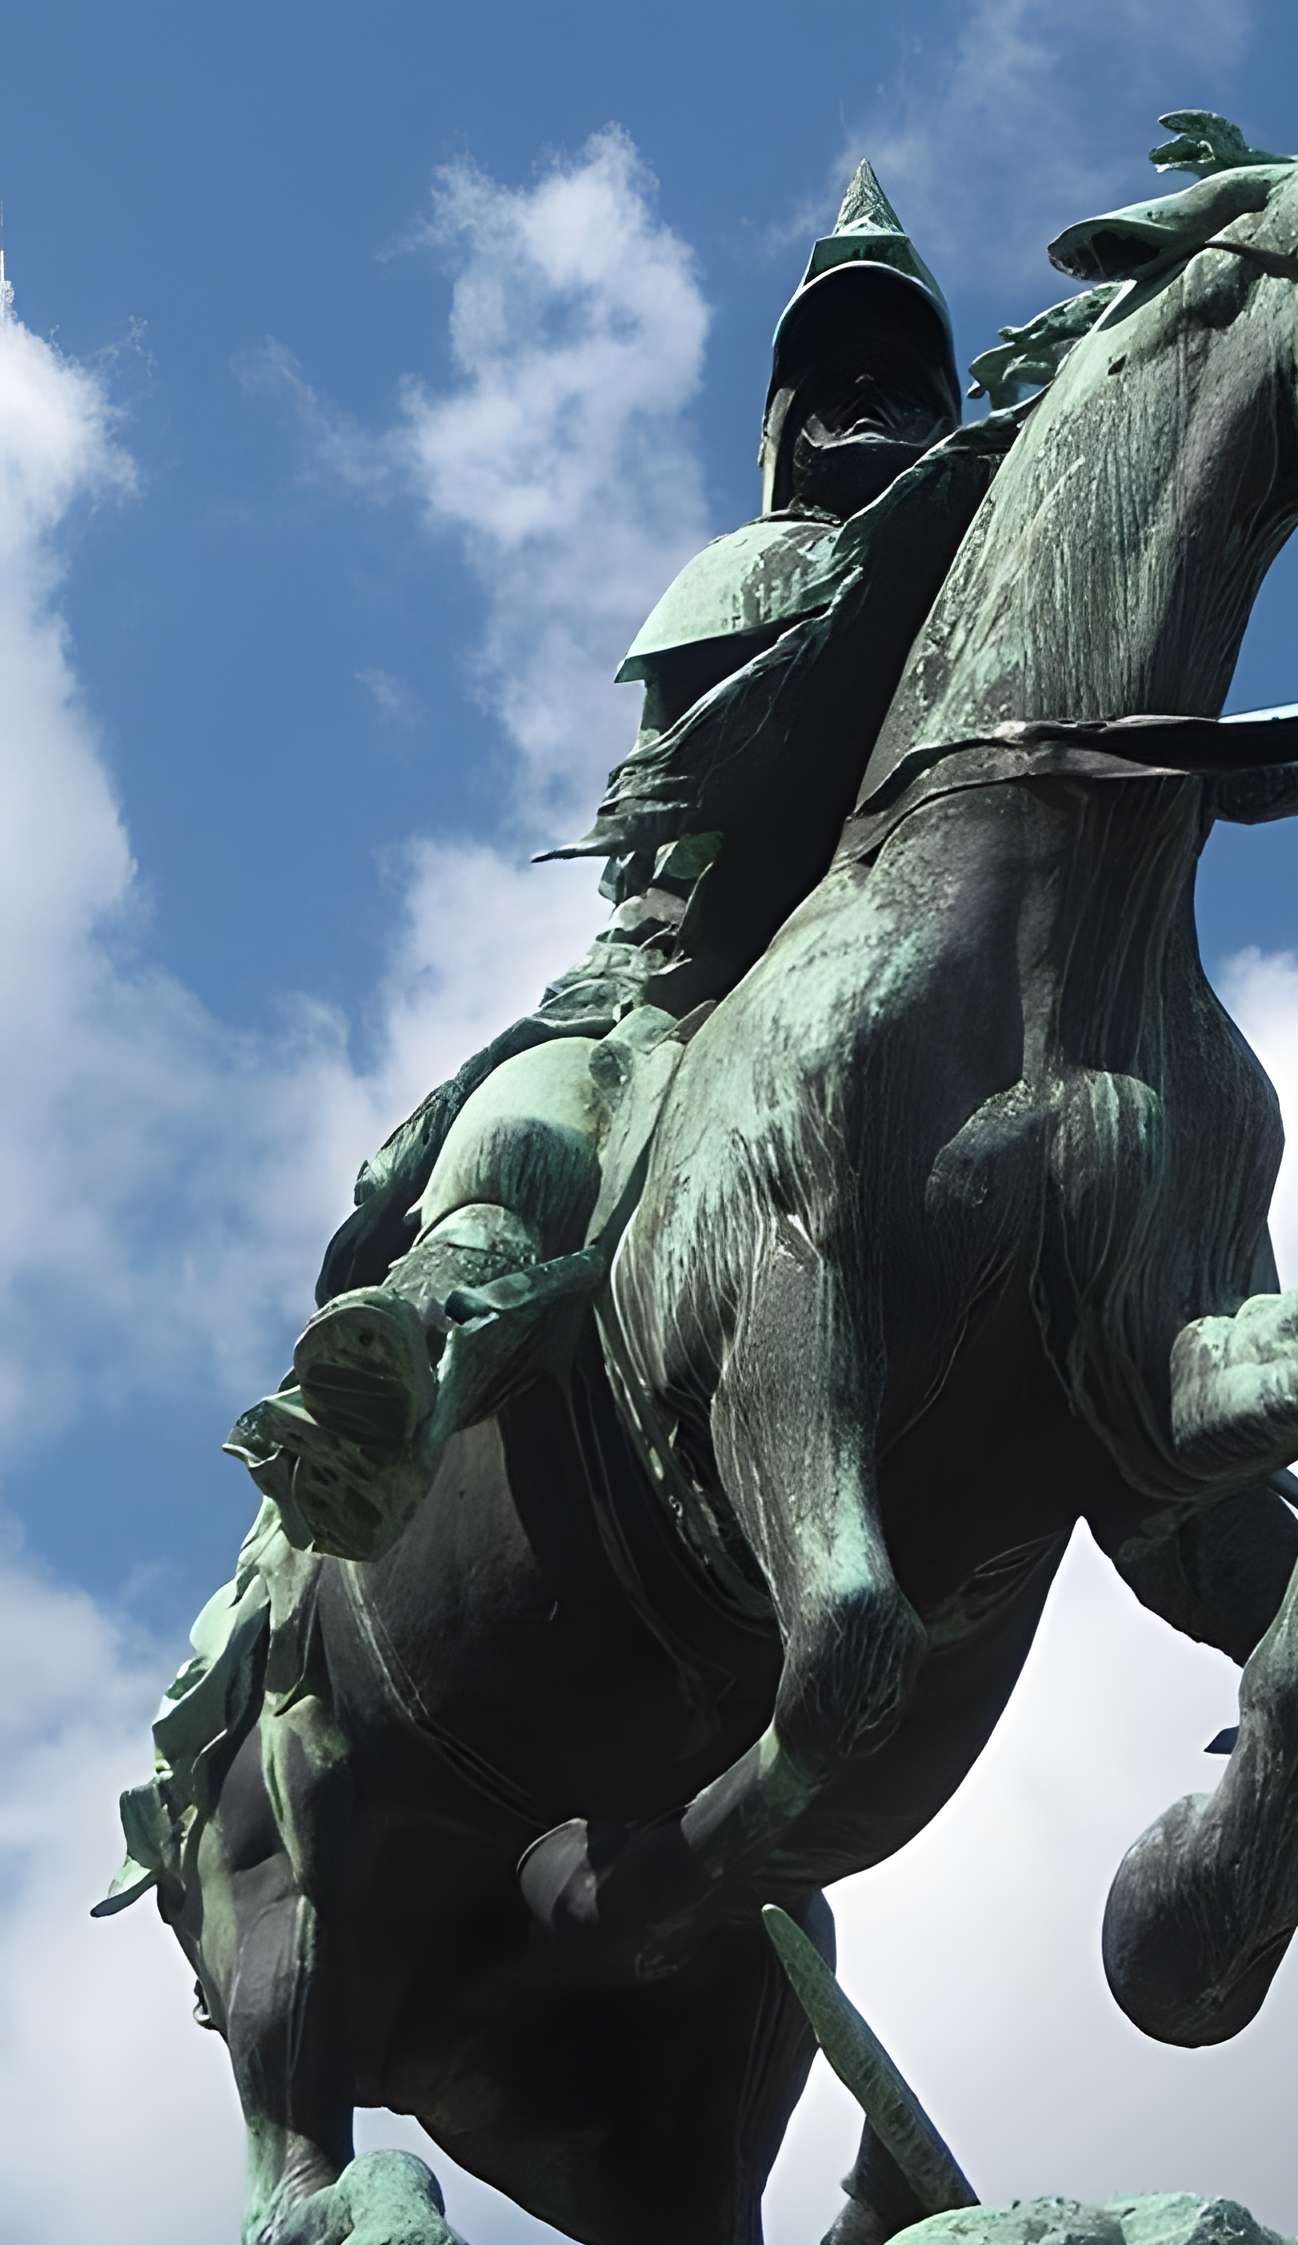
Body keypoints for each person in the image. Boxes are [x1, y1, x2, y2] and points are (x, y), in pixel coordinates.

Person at [227, 163, 976, 1562]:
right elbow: (692, 797)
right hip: (685, 968)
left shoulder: (1003, 587)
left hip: (949, 948)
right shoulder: (755, 572)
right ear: (783, 426)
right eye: (836, 379)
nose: (868, 397)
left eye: (902, 377)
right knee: (536, 1118)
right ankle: (418, 1342)